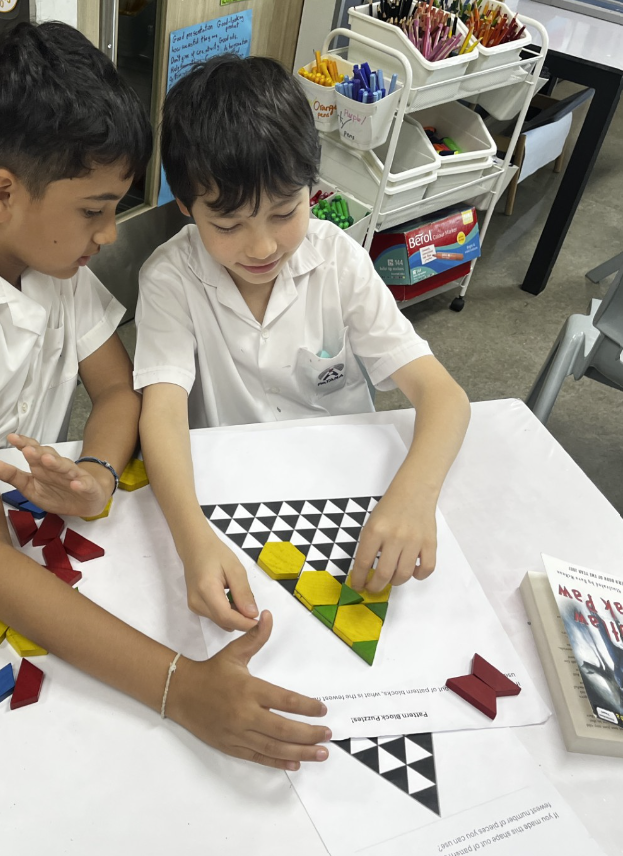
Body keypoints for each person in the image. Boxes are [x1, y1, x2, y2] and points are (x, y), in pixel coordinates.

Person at [0, 24, 330, 771]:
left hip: (0, 514)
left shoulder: (50, 262)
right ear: (2, 194)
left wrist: (96, 471)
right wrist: (178, 687)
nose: (110, 235)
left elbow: (116, 390)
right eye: (94, 210)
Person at [134, 55, 471, 635]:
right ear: (186, 206)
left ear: (312, 187)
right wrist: (192, 541)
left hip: (346, 490)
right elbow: (161, 414)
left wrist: (414, 496)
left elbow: (445, 398)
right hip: (229, 496)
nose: (262, 247)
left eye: (285, 212)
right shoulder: (170, 279)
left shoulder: (338, 259)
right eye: (228, 225)